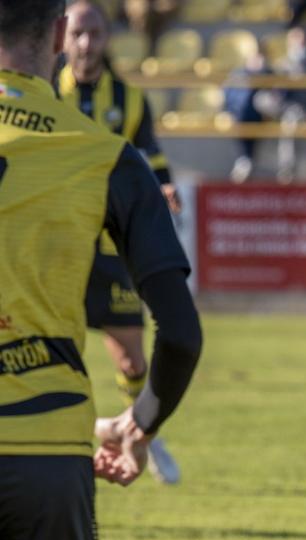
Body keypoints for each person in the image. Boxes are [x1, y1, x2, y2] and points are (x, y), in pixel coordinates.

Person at [0, 1, 203, 540]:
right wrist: (142, 422)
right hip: (48, 452)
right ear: (57, 39)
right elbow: (181, 335)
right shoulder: (102, 153)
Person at [59, 0, 183, 484]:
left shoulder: (129, 100)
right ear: (60, 38)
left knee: (131, 356)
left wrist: (165, 186)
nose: (86, 43)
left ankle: (142, 430)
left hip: (110, 246)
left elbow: (150, 156)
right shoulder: (45, 93)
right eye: (78, 34)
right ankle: (60, 438)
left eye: (94, 33)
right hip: (59, 243)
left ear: (108, 37)